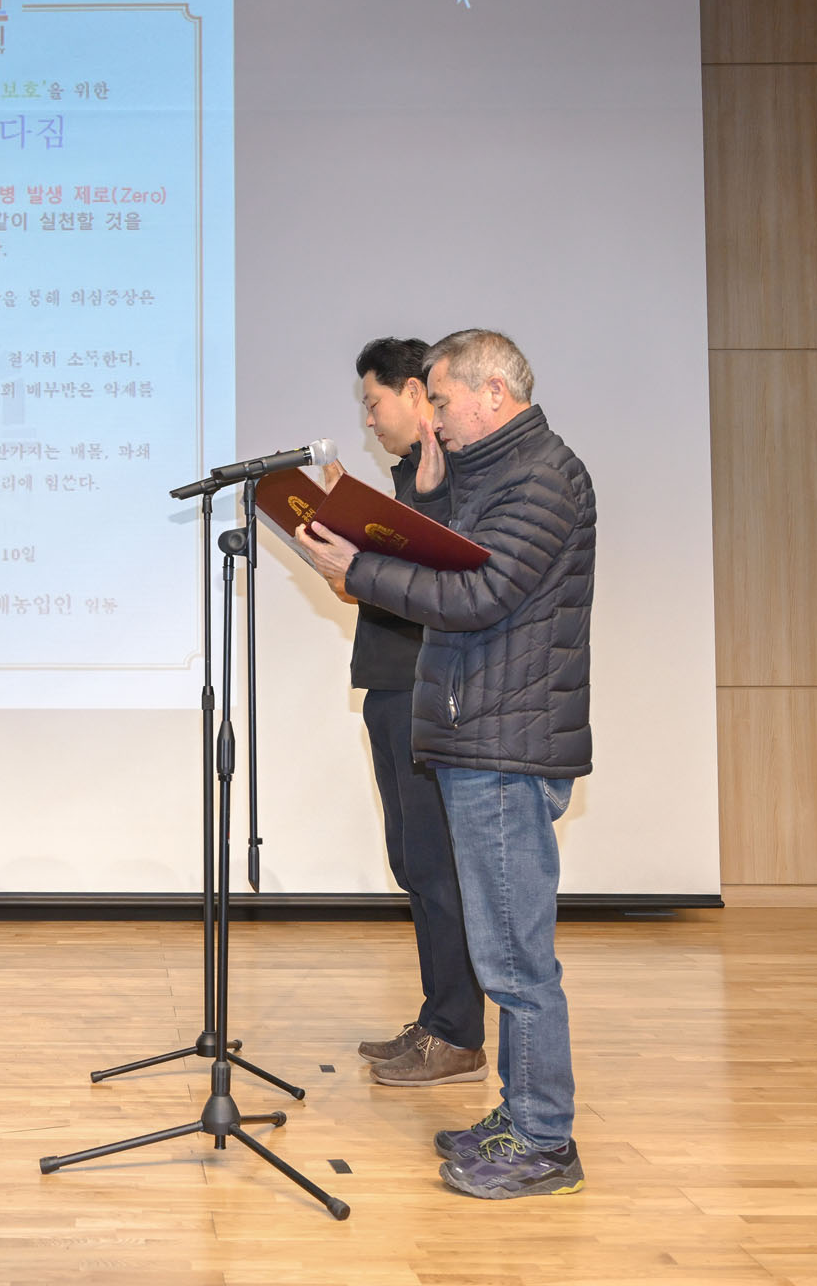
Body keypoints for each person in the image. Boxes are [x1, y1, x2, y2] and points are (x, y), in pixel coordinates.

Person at [294, 328, 595, 1200]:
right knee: (502, 952)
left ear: (492, 391)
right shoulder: (496, 475)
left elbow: (479, 593)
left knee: (515, 962)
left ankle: (544, 1141)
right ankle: (520, 1116)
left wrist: (363, 570)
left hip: (506, 743)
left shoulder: (542, 478)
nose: (433, 414)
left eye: (442, 397)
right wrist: (431, 491)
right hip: (483, 735)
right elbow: (458, 562)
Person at [329, 337, 487, 1089]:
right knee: (413, 862)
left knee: (436, 864)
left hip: (430, 693)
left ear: (417, 393)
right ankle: (438, 1019)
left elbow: (447, 585)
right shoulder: (410, 480)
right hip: (392, 685)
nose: (369, 420)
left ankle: (458, 1035)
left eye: (374, 403)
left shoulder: (453, 476)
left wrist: (362, 561)